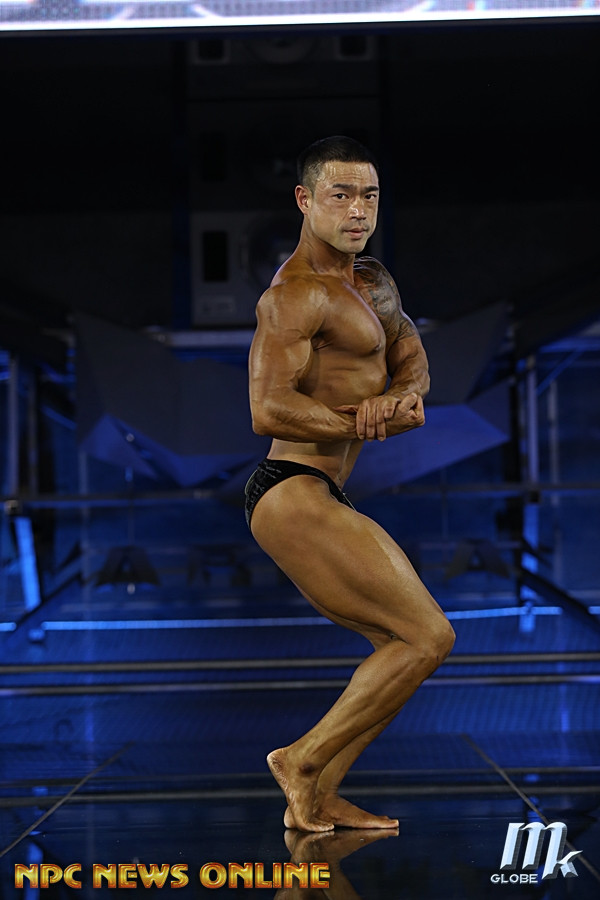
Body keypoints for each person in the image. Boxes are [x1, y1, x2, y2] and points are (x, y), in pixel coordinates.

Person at [245, 136, 455, 833]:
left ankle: (317, 793)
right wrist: (363, 420)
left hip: (322, 489)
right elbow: (267, 409)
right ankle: (300, 760)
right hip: (291, 488)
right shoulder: (294, 295)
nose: (358, 209)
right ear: (305, 201)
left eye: (369, 195)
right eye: (340, 195)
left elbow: (412, 357)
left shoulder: (370, 281)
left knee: (402, 649)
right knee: (428, 635)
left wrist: (398, 397)